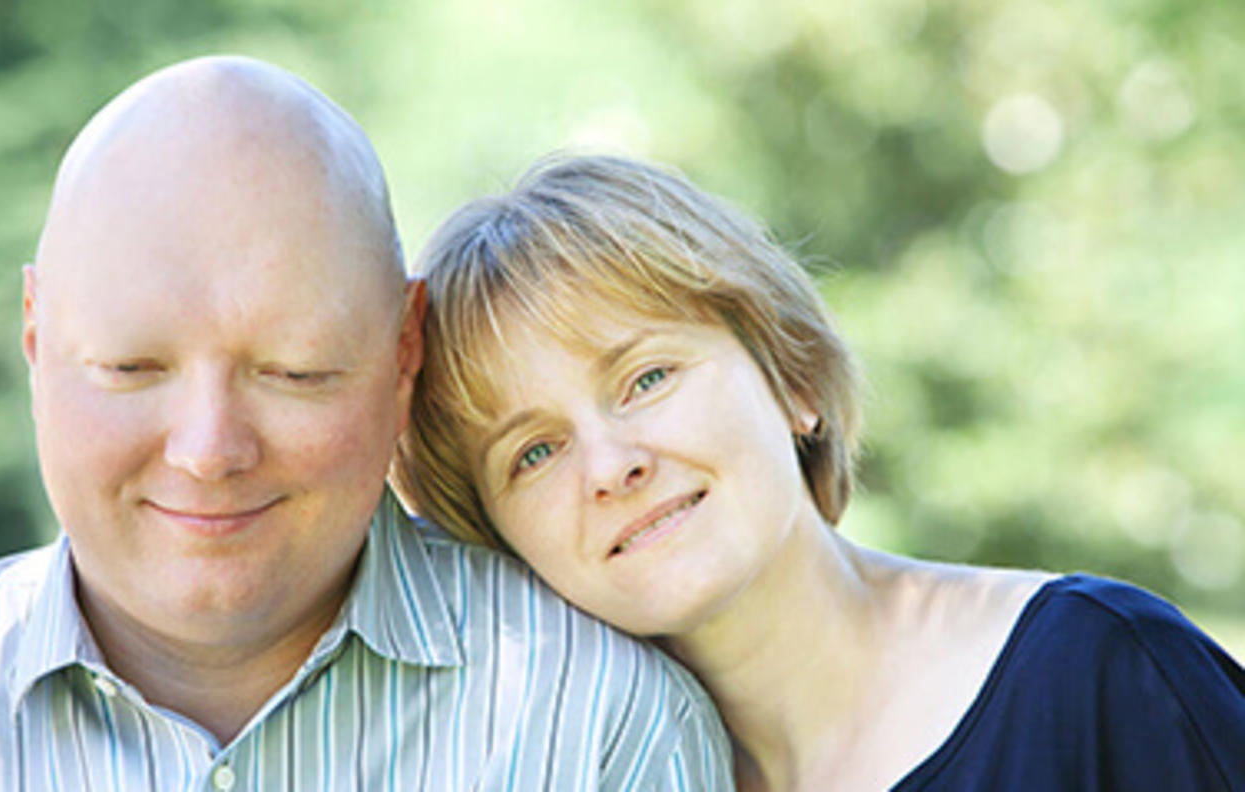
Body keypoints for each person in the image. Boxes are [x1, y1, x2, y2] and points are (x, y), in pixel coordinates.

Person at [0, 59, 733, 790]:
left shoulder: (599, 727)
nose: (209, 451)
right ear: (34, 340)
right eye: (131, 369)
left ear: (403, 352)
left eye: (294, 373)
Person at [394, 153, 1245, 791]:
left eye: (646, 379)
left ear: (792, 378)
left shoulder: (1103, 673)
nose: (611, 468)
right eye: (534, 453)